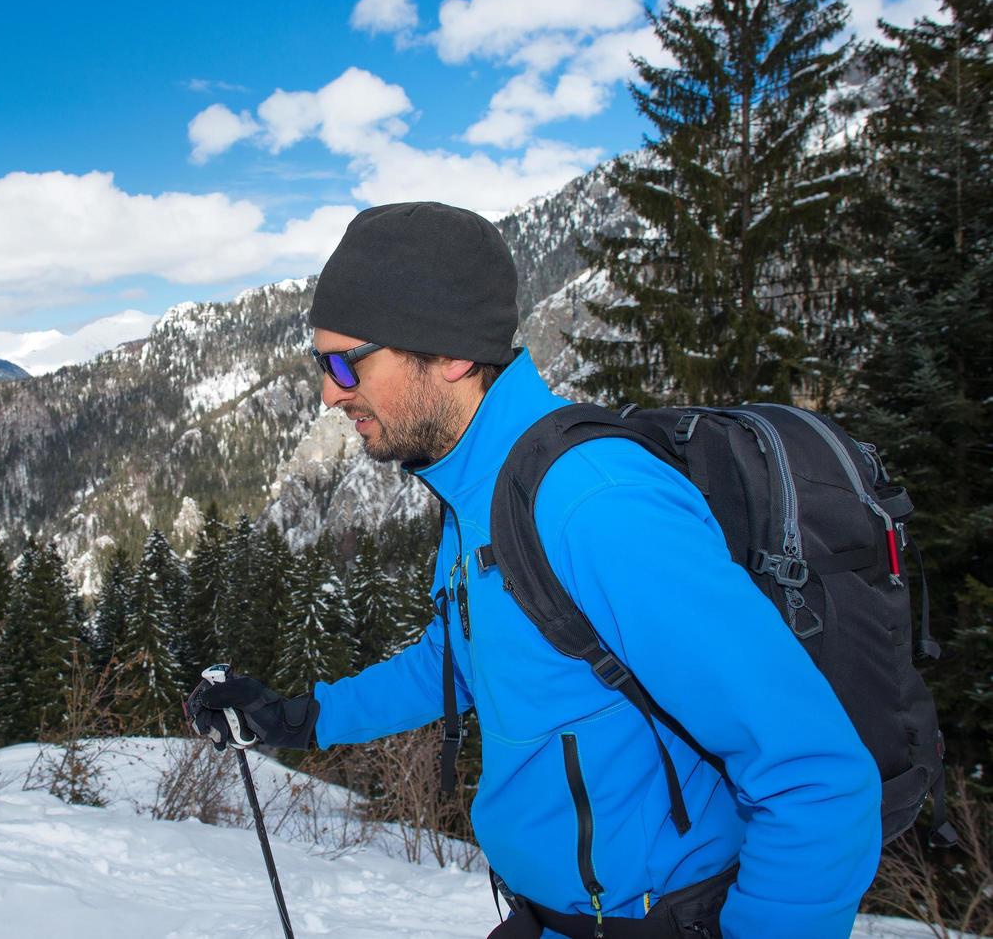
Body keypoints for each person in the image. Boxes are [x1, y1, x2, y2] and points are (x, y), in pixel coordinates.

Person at [186, 202, 882, 938]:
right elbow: (457, 661)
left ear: (448, 354)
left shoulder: (597, 505)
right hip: (549, 916)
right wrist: (300, 717)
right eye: (316, 364)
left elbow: (816, 778)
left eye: (343, 363)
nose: (328, 391)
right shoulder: (481, 488)